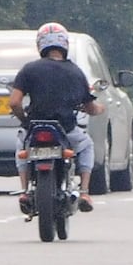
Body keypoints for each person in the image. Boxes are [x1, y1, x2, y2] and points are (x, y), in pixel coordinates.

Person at [8, 22, 104, 214]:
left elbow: (14, 102)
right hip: (66, 130)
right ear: (64, 45)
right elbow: (90, 107)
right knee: (86, 145)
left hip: (35, 128)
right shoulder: (76, 72)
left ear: (40, 45)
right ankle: (84, 192)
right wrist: (100, 108)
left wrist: (25, 121)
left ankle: (26, 190)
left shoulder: (29, 69)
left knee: (21, 147)